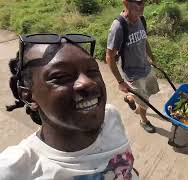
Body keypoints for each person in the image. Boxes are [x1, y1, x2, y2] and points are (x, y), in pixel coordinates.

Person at [0, 34, 138, 180]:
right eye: (61, 77)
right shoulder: (15, 170)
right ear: (27, 96)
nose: (87, 82)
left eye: (92, 71)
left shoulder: (111, 116)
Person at [106, 0, 159, 133]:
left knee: (149, 91)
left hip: (145, 67)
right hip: (132, 74)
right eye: (139, 2)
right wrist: (120, 82)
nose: (142, 6)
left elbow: (144, 40)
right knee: (144, 101)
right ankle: (143, 120)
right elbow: (109, 57)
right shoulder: (118, 26)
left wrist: (152, 57)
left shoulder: (142, 19)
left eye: (144, 2)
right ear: (126, 2)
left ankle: (130, 98)